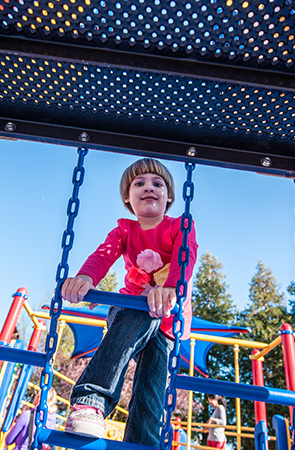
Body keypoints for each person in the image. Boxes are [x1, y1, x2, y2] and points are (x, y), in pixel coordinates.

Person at [62, 158, 198, 445]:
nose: (149, 187)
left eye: (157, 183)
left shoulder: (179, 227)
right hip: (130, 312)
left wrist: (171, 287)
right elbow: (103, 254)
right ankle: (91, 401)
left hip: (167, 323)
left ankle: (143, 442)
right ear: (127, 197)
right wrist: (86, 278)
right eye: (139, 183)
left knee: (151, 390)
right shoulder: (124, 230)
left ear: (169, 196)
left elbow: (184, 257)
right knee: (140, 307)